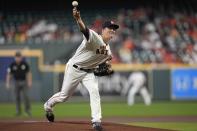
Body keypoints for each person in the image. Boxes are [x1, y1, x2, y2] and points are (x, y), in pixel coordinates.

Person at [44, 6, 119, 131]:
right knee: (64, 96)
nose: (112, 30)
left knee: (95, 91)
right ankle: (48, 106)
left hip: (88, 72)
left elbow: (101, 64)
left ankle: (96, 122)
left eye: (114, 29)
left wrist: (104, 68)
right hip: (75, 68)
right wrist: (78, 19)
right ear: (103, 29)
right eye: (110, 28)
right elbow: (84, 30)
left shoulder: (108, 52)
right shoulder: (95, 38)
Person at [6, 51, 32, 116]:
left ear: (21, 57)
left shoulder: (24, 64)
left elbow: (28, 73)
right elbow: (9, 74)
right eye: (17, 57)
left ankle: (27, 110)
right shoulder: (12, 65)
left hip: (24, 82)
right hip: (16, 82)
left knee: (26, 96)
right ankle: (18, 111)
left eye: (19, 57)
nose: (18, 58)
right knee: (17, 97)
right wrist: (8, 83)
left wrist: (29, 82)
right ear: (15, 57)